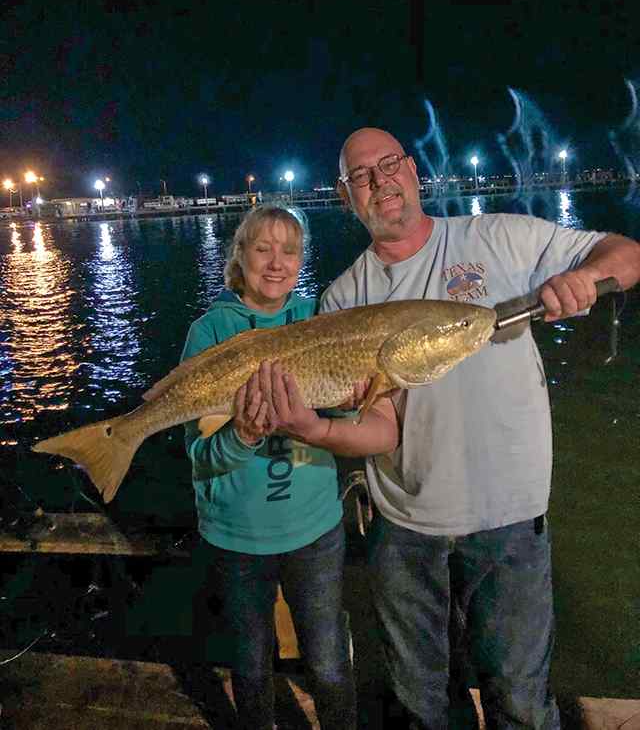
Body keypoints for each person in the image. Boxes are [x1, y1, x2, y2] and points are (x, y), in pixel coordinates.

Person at [249, 129, 640, 729]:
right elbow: (381, 427)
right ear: (344, 194)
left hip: (510, 525)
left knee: (520, 702)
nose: (380, 182)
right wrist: (311, 428)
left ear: (413, 170)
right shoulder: (343, 298)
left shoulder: (498, 237)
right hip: (405, 534)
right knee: (423, 705)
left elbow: (627, 253)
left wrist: (585, 279)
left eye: (389, 165)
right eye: (361, 175)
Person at [180, 205, 398, 730]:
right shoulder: (209, 333)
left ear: (302, 260)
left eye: (290, 250)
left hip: (315, 533)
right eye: (263, 249)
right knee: (251, 668)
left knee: (327, 663)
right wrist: (245, 435)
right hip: (237, 539)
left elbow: (352, 418)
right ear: (240, 257)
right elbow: (202, 459)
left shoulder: (320, 322)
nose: (277, 263)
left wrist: (358, 398)